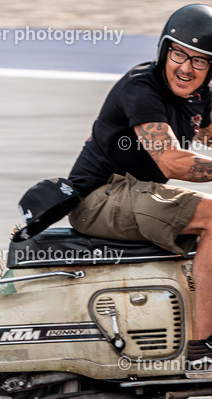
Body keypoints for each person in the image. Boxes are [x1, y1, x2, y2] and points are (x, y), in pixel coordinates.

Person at [67, 3, 212, 378]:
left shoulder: (198, 97)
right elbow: (170, 161)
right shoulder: (141, 88)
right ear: (164, 51)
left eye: (200, 60)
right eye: (179, 53)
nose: (186, 67)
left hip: (134, 193)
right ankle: (201, 350)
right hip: (100, 198)